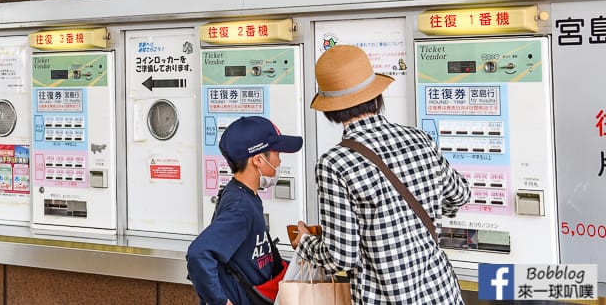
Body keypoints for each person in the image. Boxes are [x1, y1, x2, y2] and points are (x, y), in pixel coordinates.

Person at [291, 45, 471, 304]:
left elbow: (342, 256)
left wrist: (306, 243)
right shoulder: (419, 139)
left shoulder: (335, 163)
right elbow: (460, 194)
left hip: (385, 297)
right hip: (440, 293)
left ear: (330, 109)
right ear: (377, 96)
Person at [187, 116, 304, 305]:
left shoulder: (243, 195)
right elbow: (198, 253)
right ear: (258, 160)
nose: (280, 160)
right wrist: (220, 301)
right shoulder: (240, 207)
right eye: (277, 153)